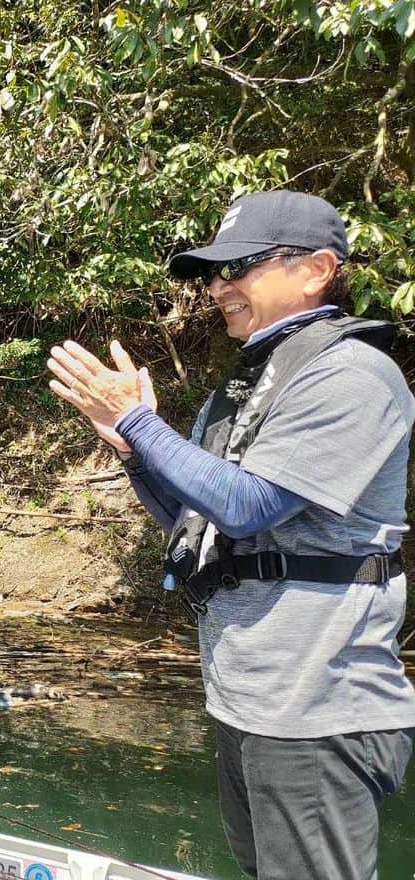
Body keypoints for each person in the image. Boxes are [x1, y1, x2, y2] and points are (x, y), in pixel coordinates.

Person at [45, 190, 415, 879]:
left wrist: (139, 423)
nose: (218, 287)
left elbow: (248, 506)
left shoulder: (355, 375)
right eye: (213, 273)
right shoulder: (244, 388)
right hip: (247, 698)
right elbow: (197, 522)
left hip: (319, 709)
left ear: (317, 269)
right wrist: (134, 448)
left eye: (240, 266)